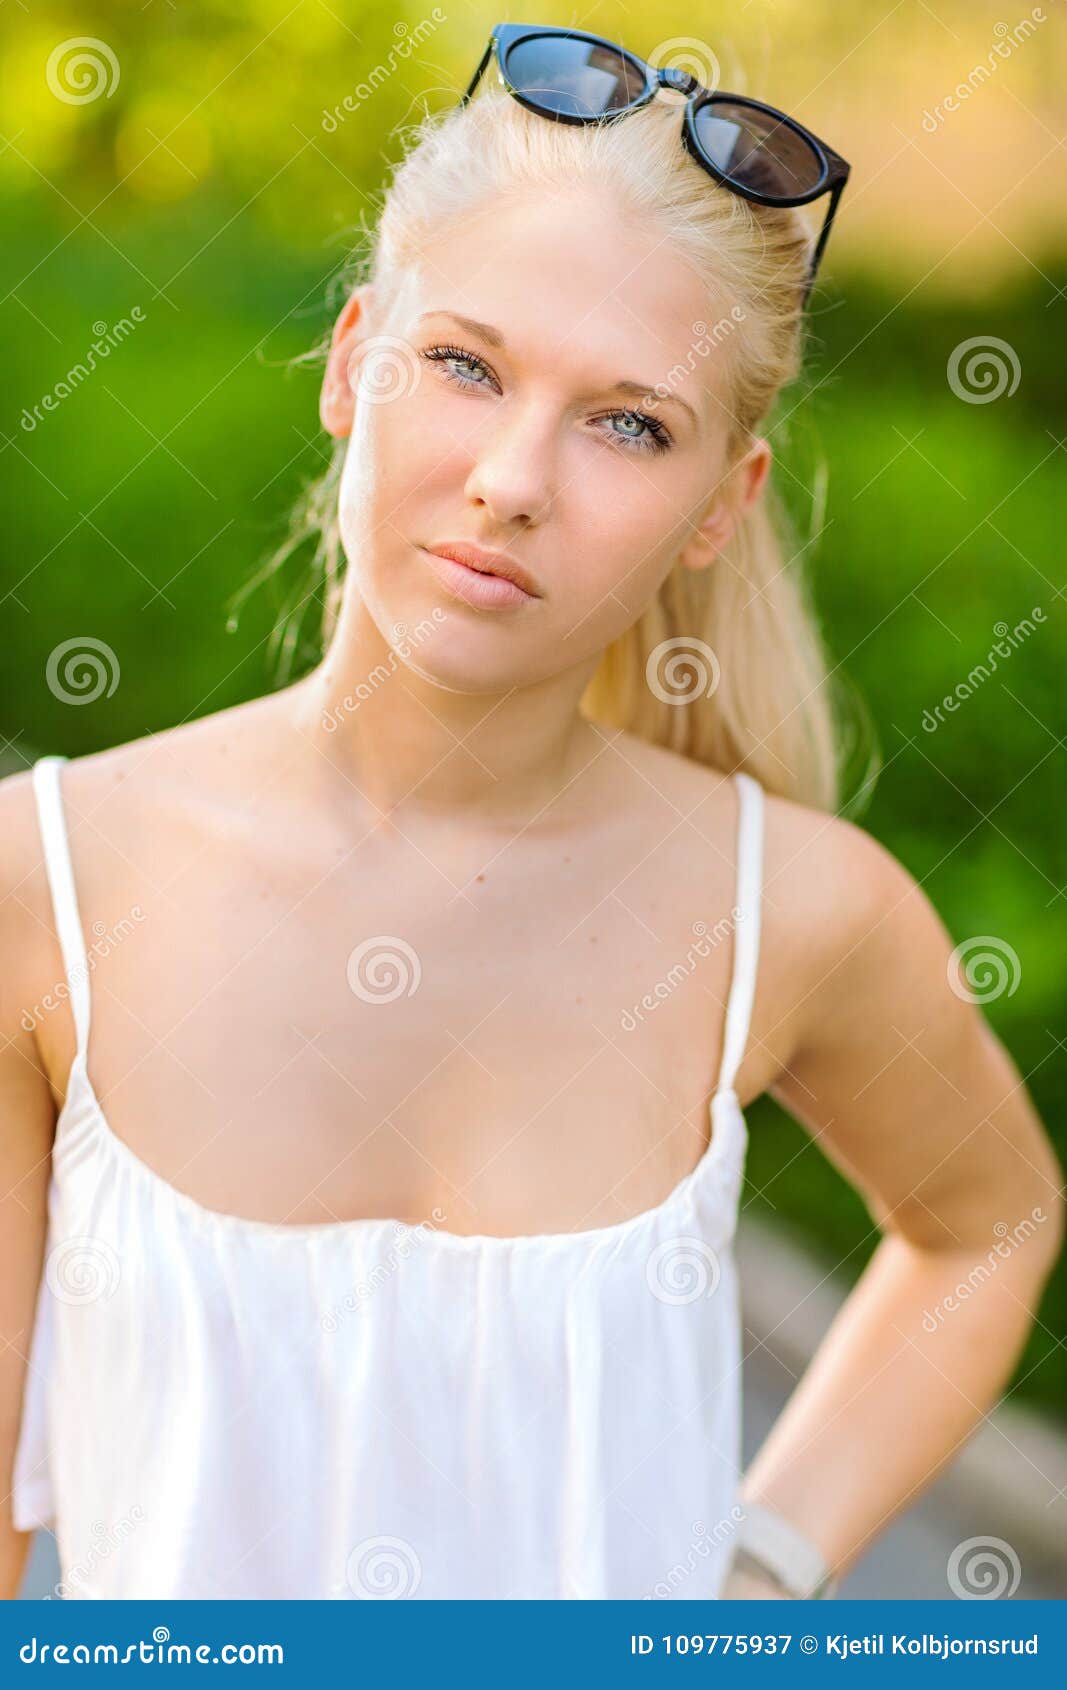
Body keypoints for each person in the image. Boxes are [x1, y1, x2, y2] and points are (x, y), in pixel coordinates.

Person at [1, 40, 1062, 1602]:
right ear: (350, 359)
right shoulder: (51, 885)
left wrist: (760, 1574)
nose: (512, 479)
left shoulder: (797, 912)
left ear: (724, 500)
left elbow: (992, 1216)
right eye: (465, 364)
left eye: (628, 423)